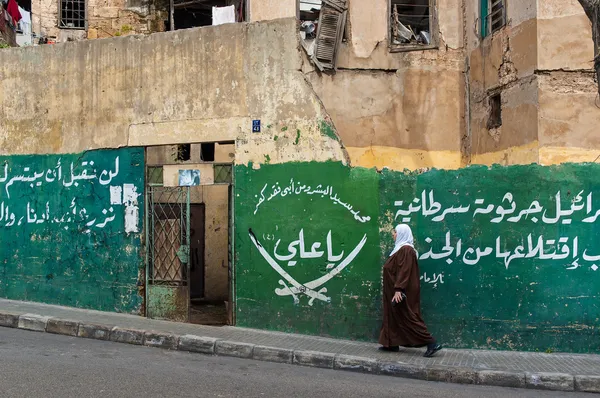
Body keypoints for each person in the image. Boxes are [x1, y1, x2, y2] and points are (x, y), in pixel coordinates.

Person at [378, 224, 442, 358]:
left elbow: (404, 270)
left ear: (402, 233)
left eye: (395, 232)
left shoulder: (406, 250)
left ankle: (431, 343)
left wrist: (398, 289)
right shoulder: (400, 249)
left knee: (408, 316)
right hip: (395, 290)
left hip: (401, 291)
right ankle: (391, 343)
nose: (393, 234)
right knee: (394, 315)